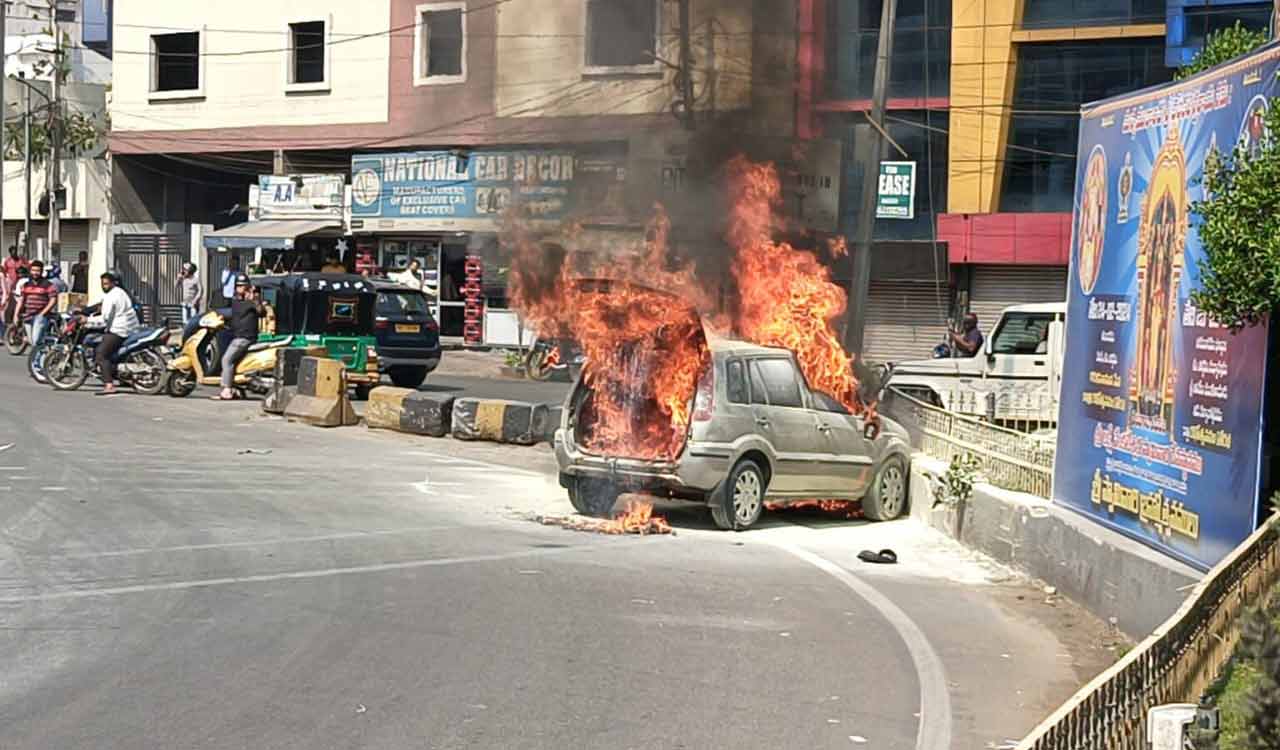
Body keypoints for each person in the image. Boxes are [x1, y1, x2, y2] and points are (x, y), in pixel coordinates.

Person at [87, 271, 141, 396]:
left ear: (113, 283)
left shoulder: (111, 296)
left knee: (101, 354)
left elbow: (104, 319)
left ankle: (109, 385)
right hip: (131, 328)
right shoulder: (121, 292)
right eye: (103, 284)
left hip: (119, 330)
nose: (104, 286)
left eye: (106, 284)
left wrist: (87, 320)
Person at [213, 274, 266, 401]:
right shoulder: (236, 301)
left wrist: (256, 300)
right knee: (233, 361)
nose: (240, 288)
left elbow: (261, 312)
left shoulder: (252, 301)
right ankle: (236, 388)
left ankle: (226, 390)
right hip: (236, 336)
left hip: (244, 338)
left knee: (226, 360)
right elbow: (230, 313)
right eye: (238, 286)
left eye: (242, 286)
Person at [20, 260, 56, 348]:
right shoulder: (26, 285)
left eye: (37, 271)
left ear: (41, 272)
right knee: (32, 342)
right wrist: (16, 314)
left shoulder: (48, 285)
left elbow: (53, 300)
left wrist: (42, 313)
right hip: (28, 316)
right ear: (30, 271)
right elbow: (22, 300)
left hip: (40, 316)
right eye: (33, 270)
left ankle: (38, 360)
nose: (35, 273)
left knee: (36, 340)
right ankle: (39, 358)